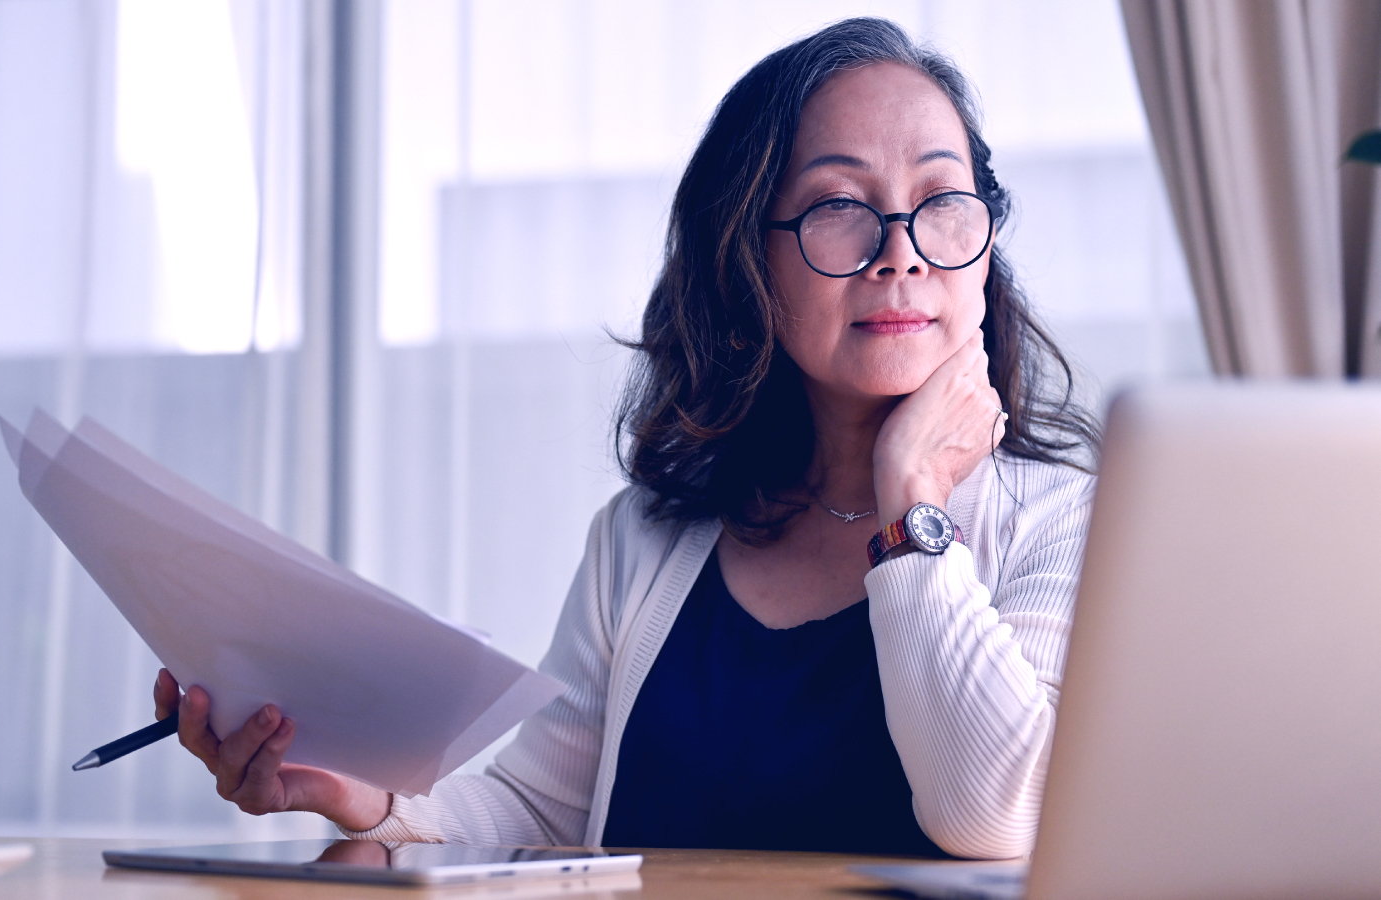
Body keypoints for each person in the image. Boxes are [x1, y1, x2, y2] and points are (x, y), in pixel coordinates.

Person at [152, 17, 1096, 860]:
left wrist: (912, 502)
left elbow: (993, 816)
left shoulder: (1065, 522)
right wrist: (367, 801)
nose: (902, 249)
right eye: (840, 207)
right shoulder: (642, 541)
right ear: (748, 258)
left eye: (941, 200)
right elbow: (536, 807)